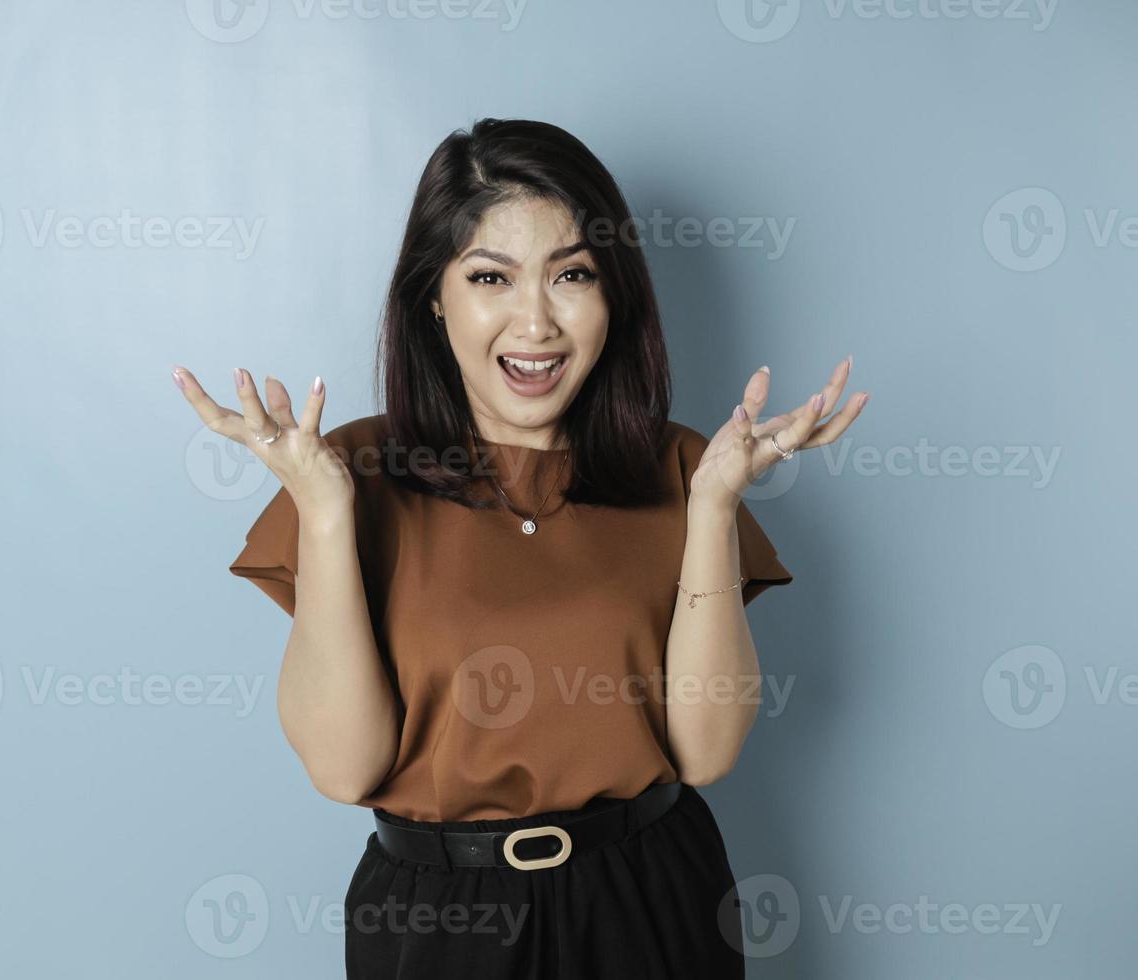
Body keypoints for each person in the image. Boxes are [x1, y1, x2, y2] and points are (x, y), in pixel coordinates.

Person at [171, 117, 868, 979]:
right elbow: (346, 769)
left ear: (615, 294)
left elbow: (707, 753)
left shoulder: (687, 468)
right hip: (436, 916)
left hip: (649, 898)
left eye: (571, 274)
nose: (535, 322)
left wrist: (715, 506)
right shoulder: (349, 470)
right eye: (490, 277)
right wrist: (321, 512)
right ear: (434, 296)